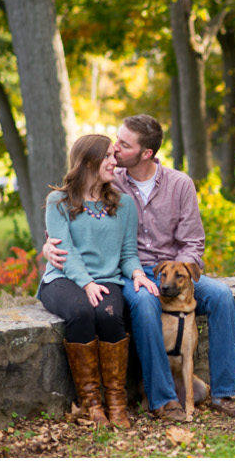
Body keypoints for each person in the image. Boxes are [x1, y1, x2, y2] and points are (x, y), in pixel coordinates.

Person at [44, 115, 235, 421]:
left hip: (176, 272)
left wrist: (178, 278)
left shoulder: (180, 185)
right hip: (132, 272)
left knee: (220, 295)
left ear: (146, 153)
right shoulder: (112, 179)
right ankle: (163, 400)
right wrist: (47, 246)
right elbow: (73, 215)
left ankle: (224, 393)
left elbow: (193, 242)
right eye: (116, 141)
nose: (114, 149)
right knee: (143, 302)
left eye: (123, 145)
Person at [39, 134, 148, 429]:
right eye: (109, 156)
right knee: (81, 312)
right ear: (88, 161)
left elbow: (128, 254)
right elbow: (65, 251)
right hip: (62, 279)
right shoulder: (58, 201)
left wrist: (137, 273)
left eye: (116, 155)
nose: (115, 162)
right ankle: (92, 404)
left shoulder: (123, 205)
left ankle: (116, 402)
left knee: (110, 314)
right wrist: (86, 283)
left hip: (107, 279)